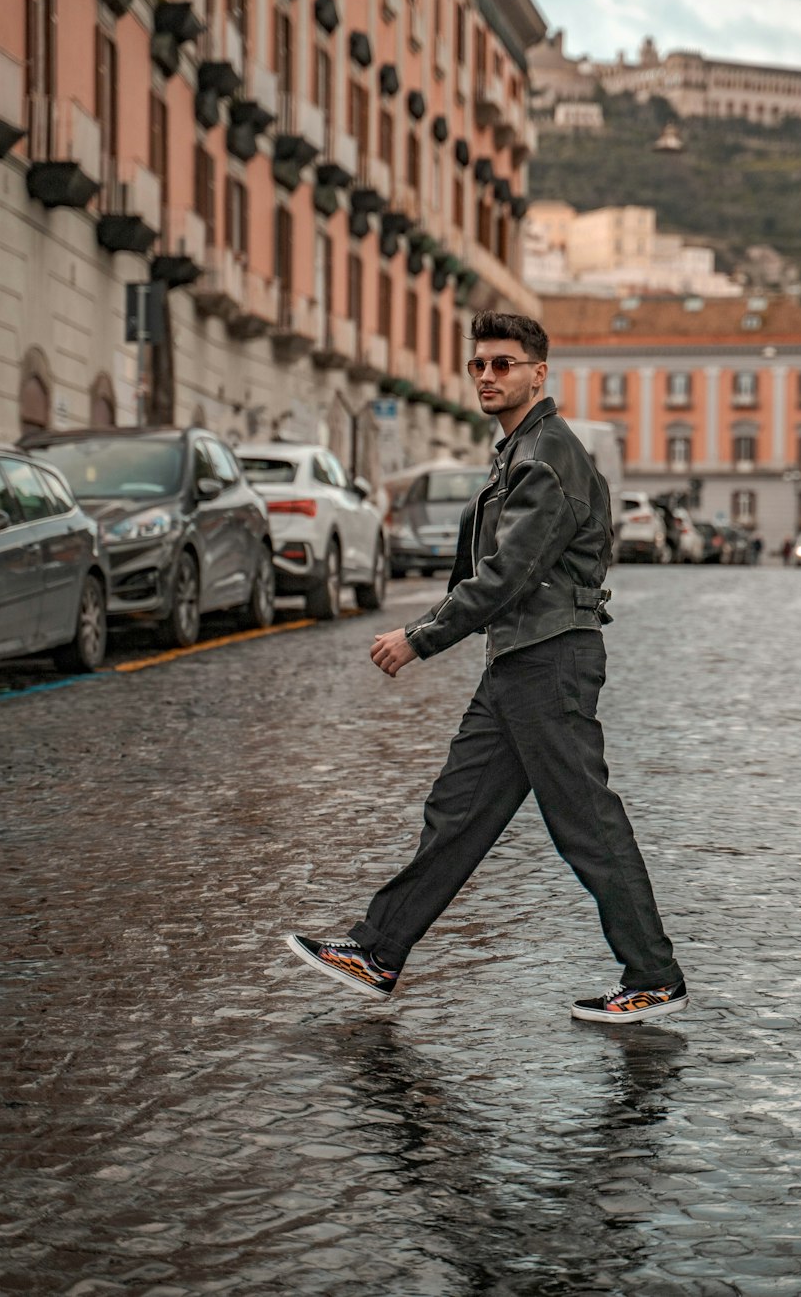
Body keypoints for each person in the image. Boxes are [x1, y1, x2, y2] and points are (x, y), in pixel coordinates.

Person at [286, 311, 687, 1026]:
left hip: (549, 660)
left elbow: (510, 573)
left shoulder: (548, 454)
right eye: (478, 365)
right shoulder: (520, 449)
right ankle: (377, 952)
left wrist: (421, 637)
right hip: (518, 660)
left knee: (586, 823)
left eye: (503, 364)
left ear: (539, 371)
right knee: (457, 815)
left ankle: (653, 975)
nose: (488, 376)